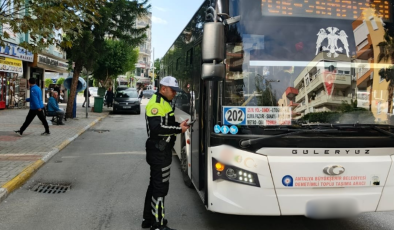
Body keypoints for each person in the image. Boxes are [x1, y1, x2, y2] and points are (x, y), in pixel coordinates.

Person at [142, 76, 189, 230]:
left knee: (154, 185)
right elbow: (156, 129)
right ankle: (158, 225)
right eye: (172, 90)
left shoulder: (164, 102)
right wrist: (178, 129)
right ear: (163, 89)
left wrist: (178, 125)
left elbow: (165, 124)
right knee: (160, 188)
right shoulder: (155, 104)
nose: (174, 94)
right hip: (159, 150)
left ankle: (148, 219)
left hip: (161, 150)